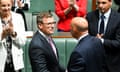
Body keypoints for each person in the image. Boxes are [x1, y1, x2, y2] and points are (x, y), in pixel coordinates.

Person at [86, 0, 120, 72]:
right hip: (94, 62)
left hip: (112, 63)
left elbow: (118, 43)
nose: (100, 6)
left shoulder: (118, 18)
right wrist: (93, 40)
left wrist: (101, 41)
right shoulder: (90, 16)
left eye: (103, 3)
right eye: (98, 3)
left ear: (110, 2)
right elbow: (86, 38)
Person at [0, 0, 26, 71]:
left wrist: (13, 33)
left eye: (9, 5)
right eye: (3, 6)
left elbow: (23, 41)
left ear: (12, 4)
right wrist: (2, 36)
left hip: (15, 64)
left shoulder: (18, 17)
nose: (7, 8)